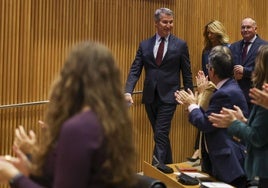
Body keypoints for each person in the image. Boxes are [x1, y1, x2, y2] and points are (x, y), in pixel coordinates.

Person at [0, 41, 138, 188]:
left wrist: (13, 175)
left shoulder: (79, 128)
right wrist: (31, 167)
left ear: (71, 79)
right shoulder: (115, 120)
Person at [124, 7, 193, 174]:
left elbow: (187, 72)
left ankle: (155, 173)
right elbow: (135, 69)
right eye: (164, 22)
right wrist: (128, 91)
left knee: (160, 133)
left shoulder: (181, 45)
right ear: (156, 23)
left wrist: (190, 101)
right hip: (149, 97)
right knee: (160, 135)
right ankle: (168, 169)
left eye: (171, 22)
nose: (168, 25)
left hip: (170, 97)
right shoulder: (145, 44)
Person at [174, 46, 248, 188]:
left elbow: (204, 123)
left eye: (208, 67)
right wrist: (193, 106)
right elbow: (208, 117)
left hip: (229, 161)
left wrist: (192, 105)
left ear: (212, 70)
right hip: (219, 157)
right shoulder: (227, 88)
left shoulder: (224, 93)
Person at [209, 45, 268, 188]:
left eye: (256, 63)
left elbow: (257, 137)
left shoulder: (265, 96)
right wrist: (244, 121)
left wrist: (234, 123)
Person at [188, 20, 229, 162]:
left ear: (218, 31)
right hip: (207, 88)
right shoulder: (206, 50)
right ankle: (198, 149)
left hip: (221, 88)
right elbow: (205, 70)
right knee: (202, 115)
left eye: (212, 32)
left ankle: (204, 150)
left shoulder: (227, 49)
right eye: (208, 32)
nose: (210, 35)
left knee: (212, 119)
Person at [230, 17, 268, 111]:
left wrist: (245, 72)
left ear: (255, 29)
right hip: (235, 96)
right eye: (243, 27)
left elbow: (265, 71)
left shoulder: (265, 46)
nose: (245, 30)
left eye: (248, 27)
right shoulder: (234, 46)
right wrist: (234, 75)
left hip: (255, 97)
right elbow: (228, 67)